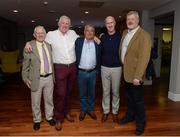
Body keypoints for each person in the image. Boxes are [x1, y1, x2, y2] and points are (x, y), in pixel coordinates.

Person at [25, 15, 79, 131]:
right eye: (63, 23)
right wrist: (28, 43)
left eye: (67, 23)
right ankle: (58, 118)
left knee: (69, 92)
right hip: (59, 68)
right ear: (59, 24)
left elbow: (83, 40)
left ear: (69, 25)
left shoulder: (73, 34)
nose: (65, 25)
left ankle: (66, 112)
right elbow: (39, 40)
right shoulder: (51, 35)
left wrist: (97, 37)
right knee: (61, 93)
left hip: (72, 67)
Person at [118, 11, 152, 136]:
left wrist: (138, 76)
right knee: (129, 98)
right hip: (126, 73)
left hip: (135, 76)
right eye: (128, 19)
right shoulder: (125, 32)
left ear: (138, 20)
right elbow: (124, 51)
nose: (130, 21)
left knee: (138, 101)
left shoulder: (144, 35)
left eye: (133, 19)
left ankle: (141, 124)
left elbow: (144, 58)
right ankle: (130, 116)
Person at [22, 26, 56, 130]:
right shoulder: (29, 47)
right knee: (36, 102)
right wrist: (25, 78)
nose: (40, 35)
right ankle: (37, 120)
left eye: (42, 33)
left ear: (45, 34)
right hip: (36, 79)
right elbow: (25, 65)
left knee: (49, 100)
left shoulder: (49, 45)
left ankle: (49, 117)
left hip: (49, 77)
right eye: (38, 33)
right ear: (34, 35)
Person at [75, 24, 101, 121]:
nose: (90, 32)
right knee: (82, 93)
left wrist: (97, 71)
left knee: (91, 93)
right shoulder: (78, 41)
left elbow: (100, 57)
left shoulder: (98, 43)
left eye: (92, 31)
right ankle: (83, 110)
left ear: (94, 33)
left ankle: (90, 109)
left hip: (93, 72)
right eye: (87, 30)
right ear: (84, 32)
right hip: (81, 72)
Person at [100, 16, 122, 123]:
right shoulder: (102, 37)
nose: (110, 25)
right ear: (105, 25)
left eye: (111, 22)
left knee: (116, 91)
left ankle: (115, 112)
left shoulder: (121, 36)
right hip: (104, 68)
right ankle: (105, 111)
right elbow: (100, 51)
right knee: (105, 91)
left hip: (117, 68)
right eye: (107, 23)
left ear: (115, 23)